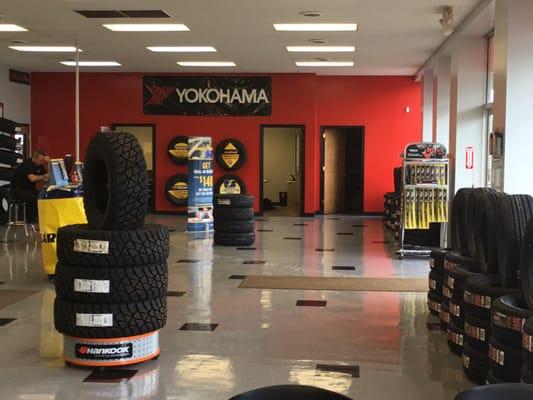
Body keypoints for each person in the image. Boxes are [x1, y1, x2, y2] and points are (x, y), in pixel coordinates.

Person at [12, 150, 49, 223]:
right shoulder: (27, 165)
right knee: (34, 199)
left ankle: (42, 217)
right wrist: (43, 176)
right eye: (40, 160)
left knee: (44, 195)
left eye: (43, 160)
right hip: (18, 189)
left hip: (30, 189)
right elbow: (32, 178)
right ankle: (31, 220)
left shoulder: (39, 165)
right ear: (34, 158)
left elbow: (47, 175)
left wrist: (49, 163)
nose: (42, 162)